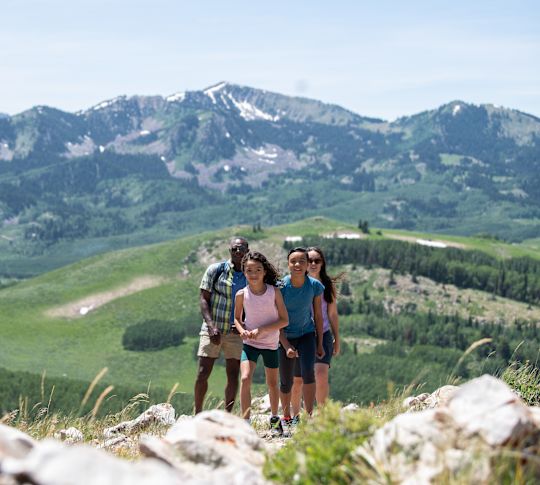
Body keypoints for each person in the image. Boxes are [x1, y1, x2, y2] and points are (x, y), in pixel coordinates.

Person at [234, 251, 288, 434]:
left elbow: (284, 320)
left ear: (264, 272)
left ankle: (274, 420)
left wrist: (262, 330)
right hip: (250, 344)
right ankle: (245, 423)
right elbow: (236, 318)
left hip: (270, 343)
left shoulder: (274, 292)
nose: (254, 274)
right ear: (244, 272)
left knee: (272, 383)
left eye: (258, 269)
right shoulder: (241, 295)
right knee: (245, 378)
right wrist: (242, 331)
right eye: (249, 270)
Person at [194, 237, 249, 413]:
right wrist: (211, 326)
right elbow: (203, 298)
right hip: (212, 329)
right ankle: (198, 413)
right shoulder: (215, 270)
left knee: (233, 375)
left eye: (241, 249)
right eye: (234, 249)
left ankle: (227, 416)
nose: (238, 252)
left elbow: (254, 302)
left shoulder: (251, 274)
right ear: (229, 251)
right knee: (203, 372)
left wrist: (243, 324)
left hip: (236, 333)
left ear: (247, 250)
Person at [290, 246, 340, 416]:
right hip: (300, 335)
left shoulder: (328, 286)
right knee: (298, 380)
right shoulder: (296, 284)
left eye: (316, 260)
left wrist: (337, 340)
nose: (312, 263)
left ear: (322, 263)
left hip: (323, 334)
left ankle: (323, 416)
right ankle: (299, 416)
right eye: (309, 260)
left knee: (320, 374)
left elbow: (332, 314)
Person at [279, 247, 325, 430]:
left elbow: (318, 316)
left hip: (306, 334)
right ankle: (287, 417)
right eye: (293, 261)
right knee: (286, 381)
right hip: (285, 335)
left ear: (307, 265)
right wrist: (286, 344)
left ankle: (308, 417)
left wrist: (320, 342)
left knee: (307, 374)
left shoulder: (314, 286)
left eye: (302, 262)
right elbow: (276, 319)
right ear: (288, 264)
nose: (297, 265)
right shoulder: (281, 287)